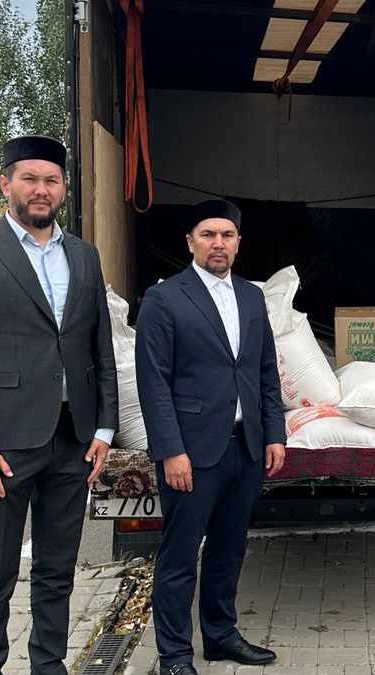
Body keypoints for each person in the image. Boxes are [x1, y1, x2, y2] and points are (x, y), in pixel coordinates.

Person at [0, 135, 119, 675]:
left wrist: (105, 429)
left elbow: (100, 347)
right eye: (30, 179)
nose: (42, 190)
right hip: (4, 446)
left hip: (73, 439)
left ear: (63, 189)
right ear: (6, 185)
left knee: (57, 569)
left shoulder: (83, 255)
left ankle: (49, 664)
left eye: (52, 181)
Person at [135, 199, 287, 675]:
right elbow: (153, 382)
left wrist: (274, 433)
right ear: (190, 242)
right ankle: (175, 656)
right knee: (180, 557)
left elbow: (265, 371)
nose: (218, 243)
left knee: (229, 550)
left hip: (246, 447)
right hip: (192, 452)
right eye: (208, 234)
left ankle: (220, 636)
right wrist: (170, 450)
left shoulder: (251, 297)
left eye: (227, 235)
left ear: (238, 243)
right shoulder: (165, 298)